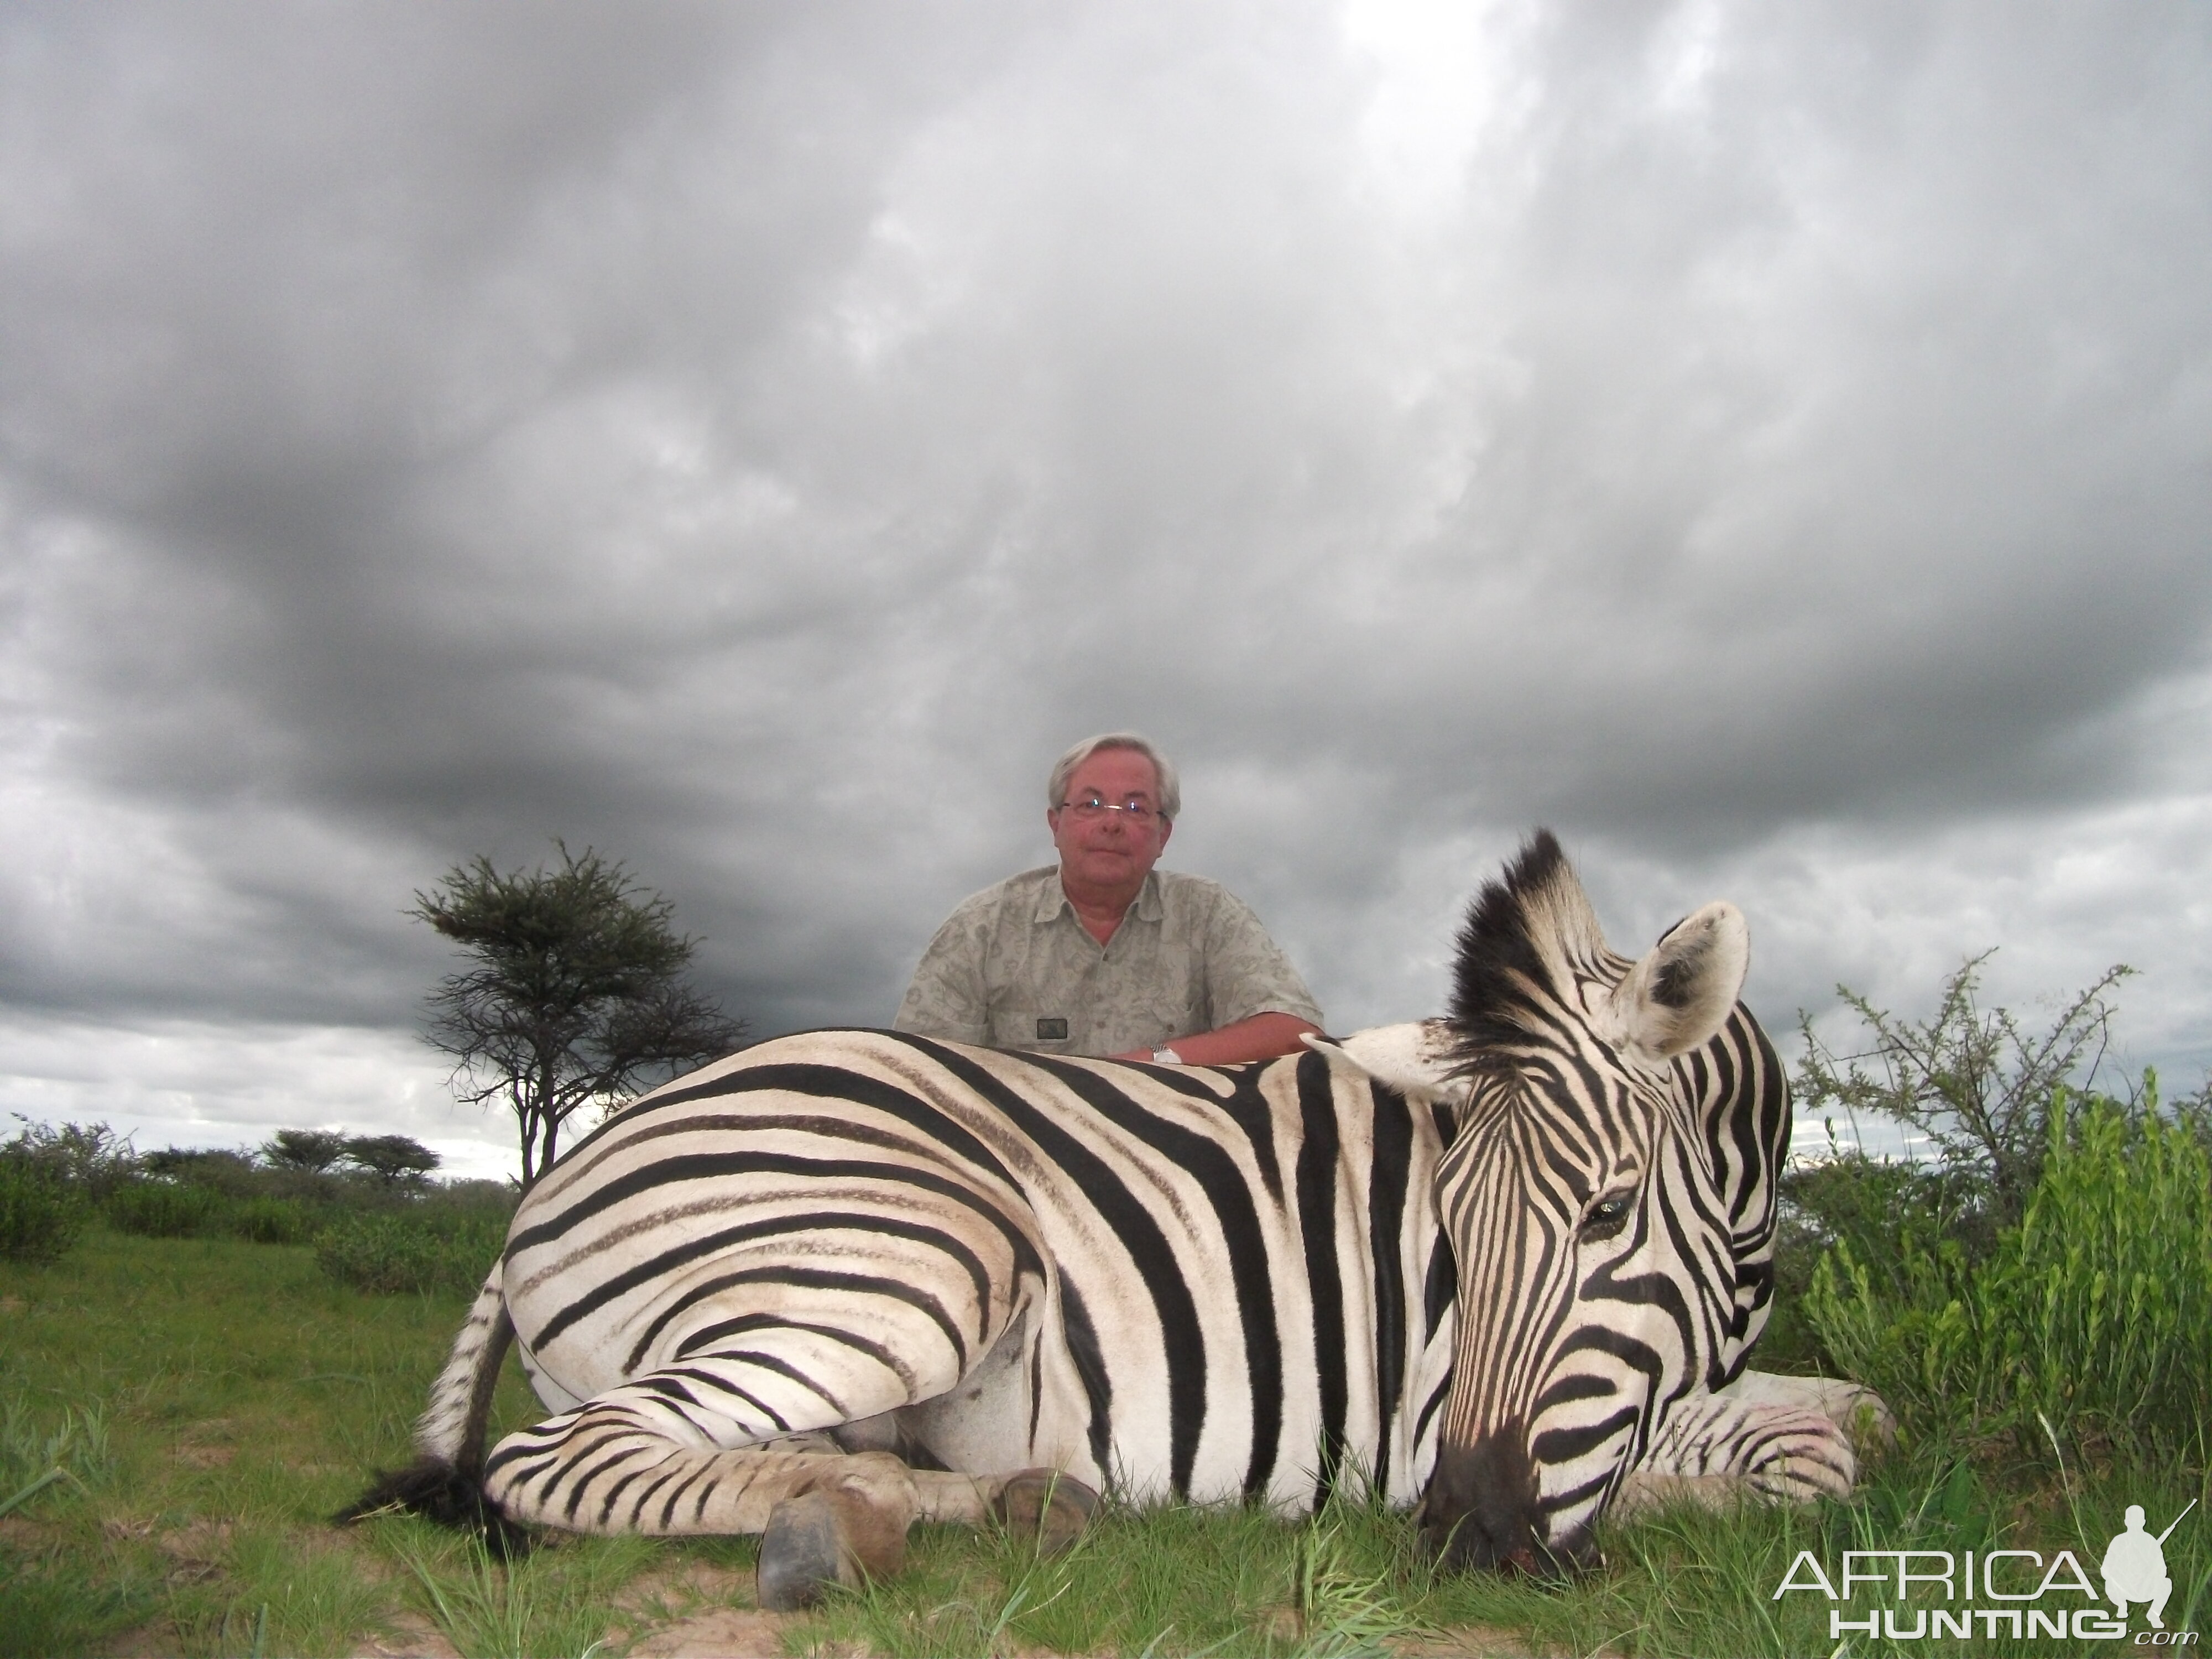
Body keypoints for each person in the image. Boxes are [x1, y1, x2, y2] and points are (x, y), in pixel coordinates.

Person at [894, 733, 1323, 1062]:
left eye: (1136, 809)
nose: (1112, 824)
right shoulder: (980, 929)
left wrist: (1150, 1065)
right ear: (1055, 825)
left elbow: (1294, 1030)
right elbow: (916, 1068)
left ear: (1164, 836)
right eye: (1091, 804)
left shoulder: (1208, 914)